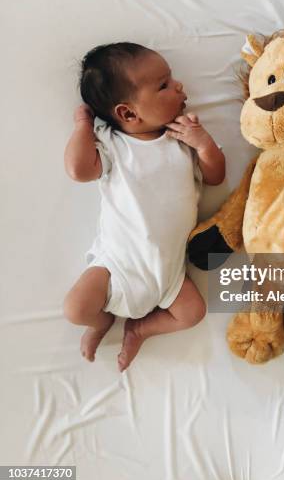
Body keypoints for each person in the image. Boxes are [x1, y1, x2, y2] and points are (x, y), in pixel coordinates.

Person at [63, 42, 225, 371]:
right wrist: (83, 125)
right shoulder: (113, 145)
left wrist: (203, 144)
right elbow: (79, 171)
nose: (179, 85)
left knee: (192, 313)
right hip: (117, 265)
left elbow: (216, 177)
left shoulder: (183, 140)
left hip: (168, 274)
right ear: (127, 113)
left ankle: (140, 329)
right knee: (76, 309)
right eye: (164, 85)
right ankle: (101, 323)